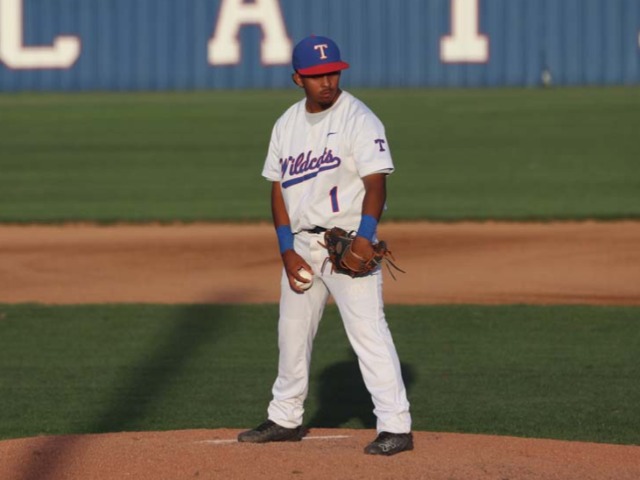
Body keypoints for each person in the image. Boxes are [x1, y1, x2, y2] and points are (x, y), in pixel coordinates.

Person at [237, 35, 413, 456]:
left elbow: (376, 184)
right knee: (292, 333)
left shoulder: (360, 119)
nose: (327, 81)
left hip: (349, 242)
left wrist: (366, 236)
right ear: (298, 78)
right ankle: (285, 417)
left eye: (333, 72)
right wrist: (286, 249)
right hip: (302, 245)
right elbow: (278, 190)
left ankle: (396, 425)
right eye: (316, 76)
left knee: (368, 332)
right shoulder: (286, 125)